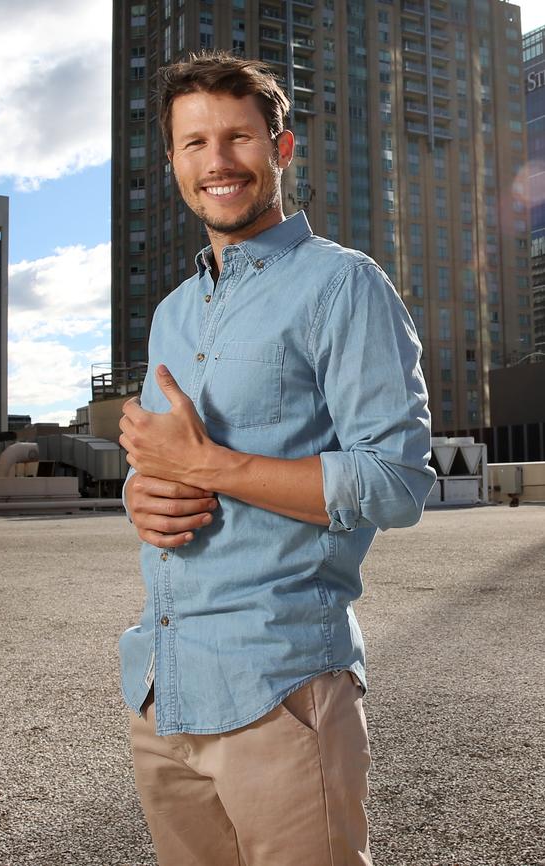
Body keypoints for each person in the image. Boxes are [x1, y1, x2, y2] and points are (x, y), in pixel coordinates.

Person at [118, 51, 436, 866]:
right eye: (194, 144)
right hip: (165, 688)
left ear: (281, 150)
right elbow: (165, 464)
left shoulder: (343, 286)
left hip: (281, 688)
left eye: (239, 139)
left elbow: (396, 484)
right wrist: (140, 495)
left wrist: (211, 466)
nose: (217, 162)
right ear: (173, 162)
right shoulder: (172, 314)